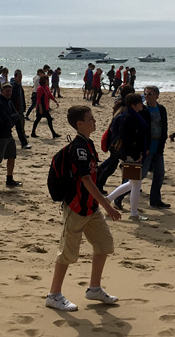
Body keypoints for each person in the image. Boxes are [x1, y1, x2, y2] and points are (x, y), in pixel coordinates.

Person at [45, 105, 121, 312]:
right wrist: (108, 207)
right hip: (76, 207)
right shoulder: (78, 147)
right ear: (79, 124)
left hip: (91, 207)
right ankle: (54, 295)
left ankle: (94, 289)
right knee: (67, 252)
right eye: (90, 119)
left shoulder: (88, 144)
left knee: (104, 244)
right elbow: (86, 180)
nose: (94, 121)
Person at [105, 93, 149, 220]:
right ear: (134, 104)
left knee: (132, 183)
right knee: (136, 184)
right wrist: (136, 155)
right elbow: (127, 139)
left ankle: (109, 199)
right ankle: (133, 214)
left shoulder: (134, 115)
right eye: (140, 102)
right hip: (130, 154)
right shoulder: (129, 117)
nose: (142, 104)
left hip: (133, 153)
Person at [0, 83, 23, 187]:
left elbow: (16, 115)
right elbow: (5, 120)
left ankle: (9, 179)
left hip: (8, 134)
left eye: (10, 91)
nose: (9, 93)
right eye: (7, 91)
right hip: (0, 135)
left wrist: (12, 117)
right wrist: (13, 118)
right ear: (1, 91)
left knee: (11, 156)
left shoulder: (9, 102)